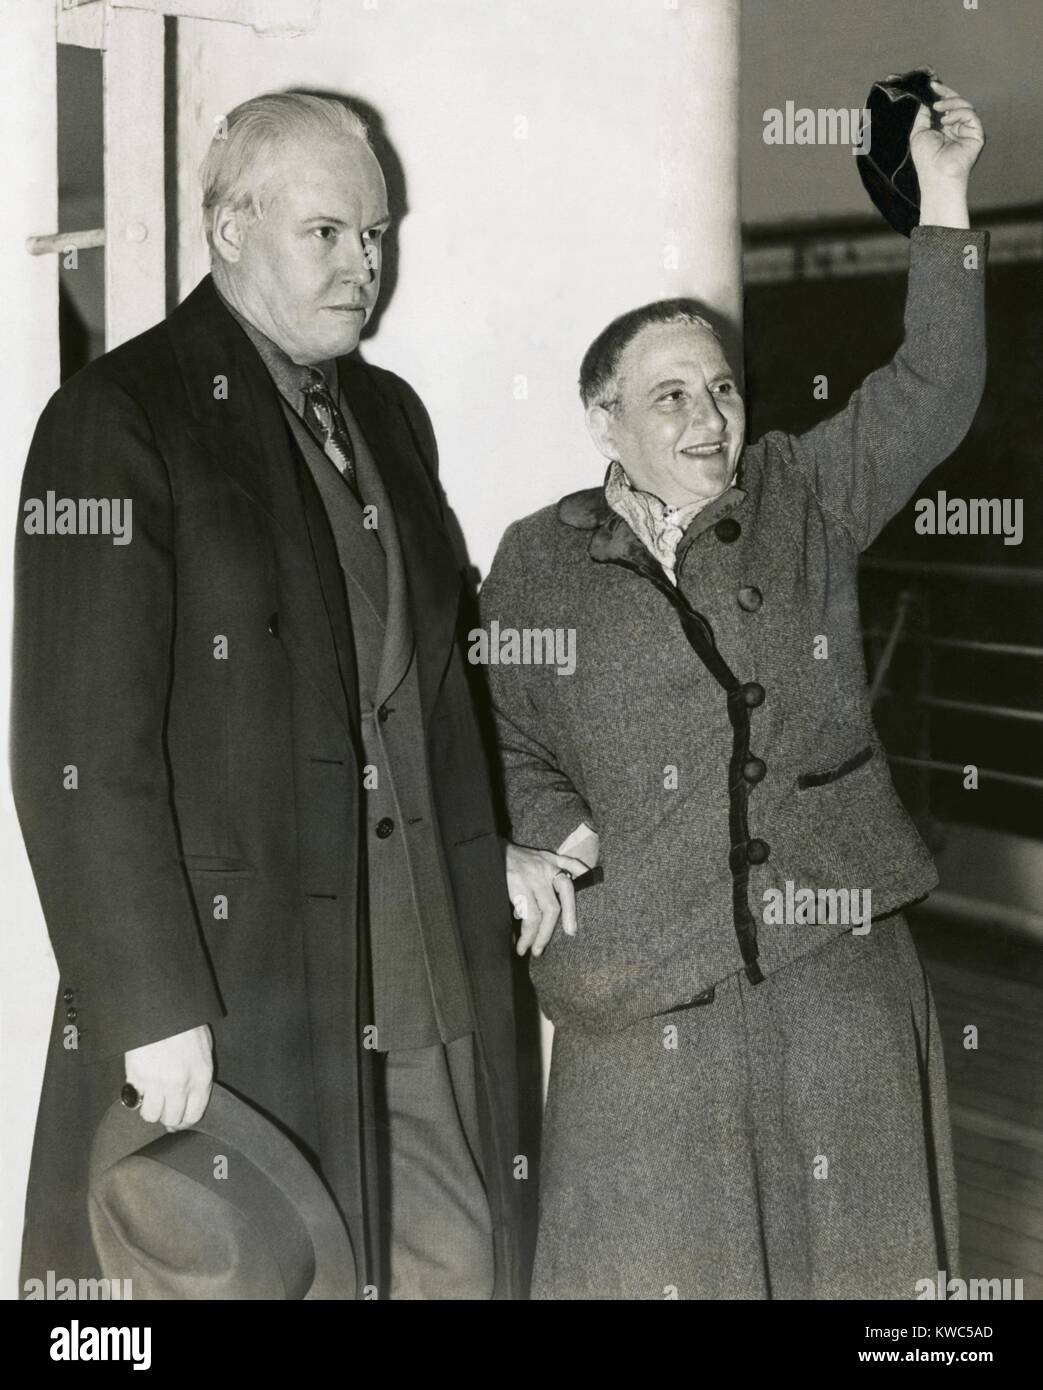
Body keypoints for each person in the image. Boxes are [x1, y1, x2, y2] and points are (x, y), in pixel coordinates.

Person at [13, 91, 577, 1301]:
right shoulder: (117, 416)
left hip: (419, 968)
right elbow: (79, 746)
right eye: (328, 233)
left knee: (457, 1268)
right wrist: (147, 999)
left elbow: (426, 676)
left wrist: (489, 848)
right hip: (236, 986)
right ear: (229, 228)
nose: (362, 265)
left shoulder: (388, 414)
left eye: (375, 235)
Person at [479, 82, 987, 1299]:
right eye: (668, 396)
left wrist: (945, 193)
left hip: (829, 971)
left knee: (861, 1276)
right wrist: (551, 836)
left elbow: (934, 386)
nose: (707, 418)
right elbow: (502, 730)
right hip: (639, 989)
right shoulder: (536, 557)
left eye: (719, 389)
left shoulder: (800, 494)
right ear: (602, 418)